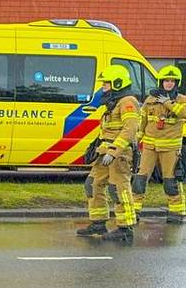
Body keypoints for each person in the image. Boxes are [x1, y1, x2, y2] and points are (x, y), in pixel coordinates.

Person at [78, 65, 140, 242]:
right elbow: (108, 130)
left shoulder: (127, 102)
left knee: (118, 188)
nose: (103, 87)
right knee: (92, 184)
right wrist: (95, 147)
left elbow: (130, 130)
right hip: (104, 152)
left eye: (106, 84)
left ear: (118, 84)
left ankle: (125, 228)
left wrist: (113, 152)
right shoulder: (113, 102)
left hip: (119, 154)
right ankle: (98, 223)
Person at [133, 66, 186, 224]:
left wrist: (168, 103)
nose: (169, 83)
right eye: (166, 80)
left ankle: (176, 212)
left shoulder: (181, 100)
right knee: (140, 179)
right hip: (150, 146)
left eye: (172, 81)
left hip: (170, 149)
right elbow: (142, 121)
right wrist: (137, 139)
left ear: (177, 83)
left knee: (171, 181)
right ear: (160, 82)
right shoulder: (150, 99)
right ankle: (134, 211)